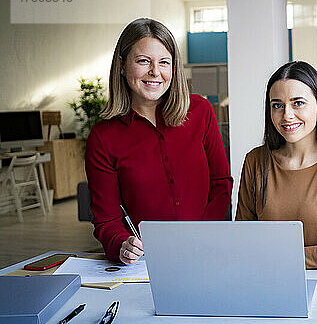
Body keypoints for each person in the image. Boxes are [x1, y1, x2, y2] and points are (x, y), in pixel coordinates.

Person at [86, 18, 232, 264]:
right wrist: (121, 244)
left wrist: (204, 235)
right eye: (143, 61)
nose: (155, 72)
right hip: (148, 263)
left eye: (164, 62)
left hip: (208, 251)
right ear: (122, 66)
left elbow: (221, 183)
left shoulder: (201, 111)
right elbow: (107, 219)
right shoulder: (103, 137)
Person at [236, 61, 317, 270]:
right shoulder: (255, 161)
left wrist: (274, 257)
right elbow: (243, 241)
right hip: (264, 283)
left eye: (298, 103)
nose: (287, 115)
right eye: (277, 105)